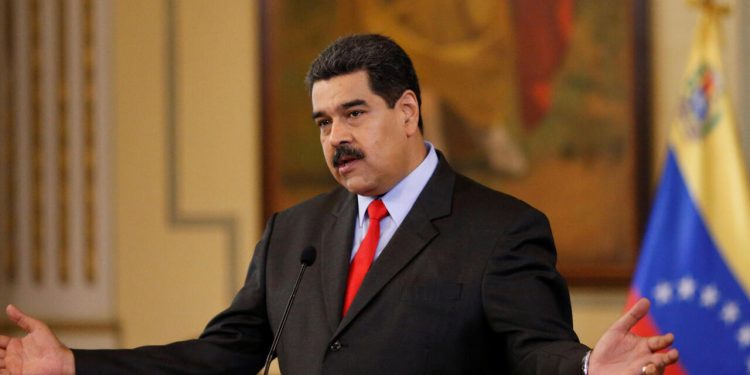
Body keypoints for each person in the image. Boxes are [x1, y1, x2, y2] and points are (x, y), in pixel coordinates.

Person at [0, 34, 677, 375]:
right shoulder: (297, 231)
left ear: (407, 111)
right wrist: (77, 364)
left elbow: (537, 352)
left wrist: (589, 368)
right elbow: (219, 357)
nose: (337, 137)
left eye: (354, 112)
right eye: (324, 122)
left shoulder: (501, 230)